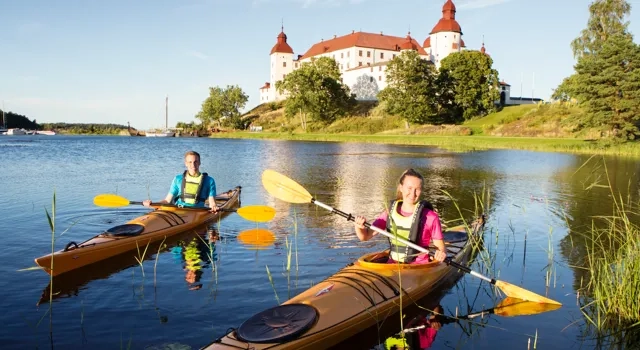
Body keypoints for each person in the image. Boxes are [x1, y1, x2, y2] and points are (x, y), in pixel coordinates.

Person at [354, 168, 447, 264]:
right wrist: (359, 227)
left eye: (417, 189)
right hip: (392, 265)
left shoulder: (430, 217)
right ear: (401, 188)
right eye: (409, 188)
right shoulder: (389, 213)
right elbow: (365, 236)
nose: (413, 193)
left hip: (419, 268)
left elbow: (441, 248)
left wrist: (441, 253)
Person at [143, 151, 218, 212]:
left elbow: (212, 203)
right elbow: (167, 201)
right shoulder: (178, 179)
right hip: (178, 210)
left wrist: (214, 207)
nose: (193, 165)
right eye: (190, 162)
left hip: (197, 212)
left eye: (195, 162)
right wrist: (152, 204)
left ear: (199, 163)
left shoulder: (209, 180)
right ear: (186, 164)